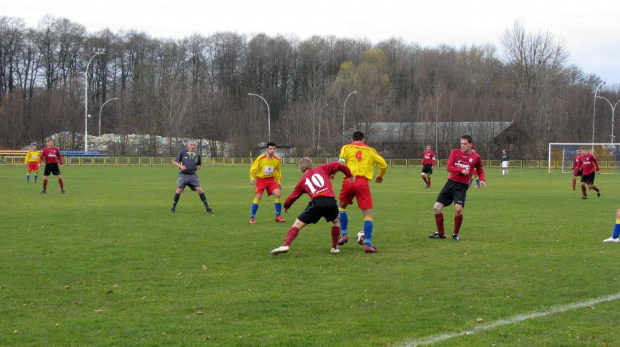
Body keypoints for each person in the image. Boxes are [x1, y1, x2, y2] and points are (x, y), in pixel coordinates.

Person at [271, 158, 355, 255]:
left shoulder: (302, 181)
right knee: (336, 221)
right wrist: (349, 175)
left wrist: (286, 206)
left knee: (297, 225)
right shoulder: (323, 168)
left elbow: (294, 195)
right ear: (312, 165)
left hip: (317, 203)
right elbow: (338, 165)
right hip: (330, 201)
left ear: (301, 170)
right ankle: (334, 248)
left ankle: (286, 245)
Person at [336, 131, 387, 253]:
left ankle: (344, 235)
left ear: (351, 139)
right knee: (367, 214)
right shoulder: (370, 150)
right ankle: (368, 244)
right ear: (363, 140)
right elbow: (383, 165)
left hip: (348, 180)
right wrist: (380, 175)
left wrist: (333, 173)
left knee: (342, 207)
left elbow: (340, 162)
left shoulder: (346, 148)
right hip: (362, 182)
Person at [429, 135, 486, 241]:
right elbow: (449, 167)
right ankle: (441, 234)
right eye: (461, 144)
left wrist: (482, 179)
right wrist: (461, 170)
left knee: (458, 209)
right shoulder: (455, 152)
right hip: (450, 183)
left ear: (470, 144)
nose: (463, 146)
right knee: (436, 208)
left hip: (462, 186)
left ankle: (455, 234)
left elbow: (480, 169)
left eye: (465, 144)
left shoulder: (476, 157)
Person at [170, 141, 214, 214]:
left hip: (192, 175)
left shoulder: (197, 155)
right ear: (188, 146)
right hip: (183, 175)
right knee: (179, 190)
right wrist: (181, 166)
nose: (193, 146)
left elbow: (199, 165)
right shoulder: (183, 152)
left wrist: (198, 167)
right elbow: (175, 162)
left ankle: (207, 208)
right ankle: (173, 208)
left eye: (194, 145)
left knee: (199, 189)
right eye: (191, 145)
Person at [249, 142, 285, 223]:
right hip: (261, 180)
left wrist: (279, 181)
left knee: (278, 194)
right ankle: (252, 217)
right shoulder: (261, 158)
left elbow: (278, 170)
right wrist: (252, 177)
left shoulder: (277, 159)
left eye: (273, 149)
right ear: (267, 149)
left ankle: (278, 216)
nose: (272, 150)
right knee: (258, 197)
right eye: (270, 149)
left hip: (271, 180)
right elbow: (253, 167)